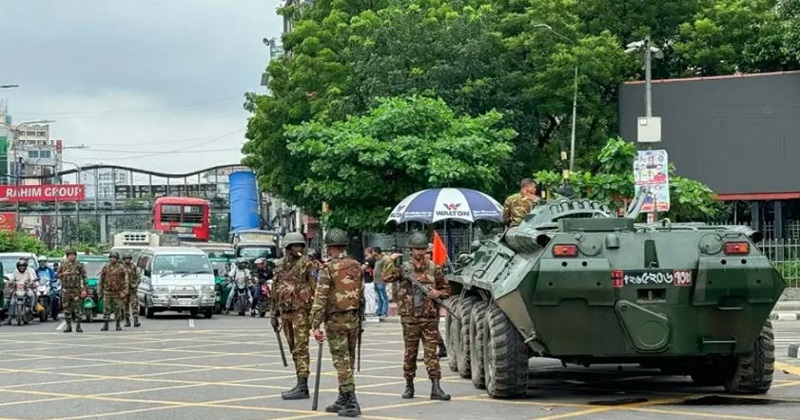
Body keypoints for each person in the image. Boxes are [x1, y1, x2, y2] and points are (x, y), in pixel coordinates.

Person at [382, 231, 451, 401]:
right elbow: (386, 277)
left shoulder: (435, 268)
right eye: (417, 249)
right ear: (410, 251)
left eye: (423, 249)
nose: (421, 252)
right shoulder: (404, 268)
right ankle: (409, 385)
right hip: (410, 318)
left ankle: (436, 387)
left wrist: (438, 293)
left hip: (429, 318)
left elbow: (447, 290)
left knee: (431, 354)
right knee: (410, 354)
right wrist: (390, 260)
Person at [310, 228, 364, 417]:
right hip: (353, 319)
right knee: (348, 358)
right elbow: (362, 295)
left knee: (341, 361)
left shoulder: (328, 268)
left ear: (330, 247)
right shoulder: (356, 266)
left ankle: (351, 401)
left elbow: (320, 297)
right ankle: (342, 397)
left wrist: (315, 325)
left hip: (335, 320)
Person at [271, 231, 317, 400]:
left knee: (301, 348)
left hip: (301, 311)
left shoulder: (307, 264)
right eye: (294, 246)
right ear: (287, 248)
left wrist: (316, 314)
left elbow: (316, 288)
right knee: (293, 348)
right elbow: (275, 290)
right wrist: (273, 314)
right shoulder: (280, 265)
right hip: (285, 311)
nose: (298, 249)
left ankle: (302, 385)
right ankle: (300, 380)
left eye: (300, 246)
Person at [57, 248, 87, 333]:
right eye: (70, 255)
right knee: (66, 309)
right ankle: (68, 326)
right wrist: (63, 274)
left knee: (77, 309)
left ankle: (78, 326)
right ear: (67, 256)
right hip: (66, 290)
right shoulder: (63, 265)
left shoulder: (79, 265)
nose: (71, 257)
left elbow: (85, 277)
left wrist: (84, 289)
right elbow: (57, 275)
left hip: (76, 290)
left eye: (73, 255)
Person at [99, 251, 129, 331]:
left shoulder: (121, 268)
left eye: (114, 258)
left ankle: (118, 324)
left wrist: (125, 292)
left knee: (118, 309)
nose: (113, 259)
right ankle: (105, 324)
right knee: (106, 309)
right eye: (111, 257)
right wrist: (100, 292)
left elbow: (126, 280)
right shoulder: (105, 267)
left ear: (117, 259)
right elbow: (101, 280)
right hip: (107, 291)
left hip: (118, 292)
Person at [6, 259, 38, 324]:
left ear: (25, 266)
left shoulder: (28, 271)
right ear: (18, 267)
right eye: (20, 266)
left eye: (23, 266)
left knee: (31, 295)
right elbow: (11, 279)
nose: (21, 267)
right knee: (12, 302)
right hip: (17, 289)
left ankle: (31, 309)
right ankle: (9, 318)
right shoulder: (15, 271)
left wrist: (32, 282)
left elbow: (32, 279)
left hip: (26, 288)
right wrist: (10, 282)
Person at [121, 254, 141, 327]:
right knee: (125, 305)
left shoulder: (134, 267)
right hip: (124, 289)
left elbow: (138, 276)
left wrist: (136, 284)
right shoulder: (121, 267)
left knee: (134, 304)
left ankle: (136, 320)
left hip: (132, 289)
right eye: (126, 259)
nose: (127, 260)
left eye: (129, 259)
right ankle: (127, 321)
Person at [372, 247, 389, 319]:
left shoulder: (383, 259)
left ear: (376, 252)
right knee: (379, 297)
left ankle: (384, 312)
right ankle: (379, 310)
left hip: (381, 281)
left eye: (373, 252)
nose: (372, 253)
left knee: (383, 297)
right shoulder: (377, 260)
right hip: (376, 280)